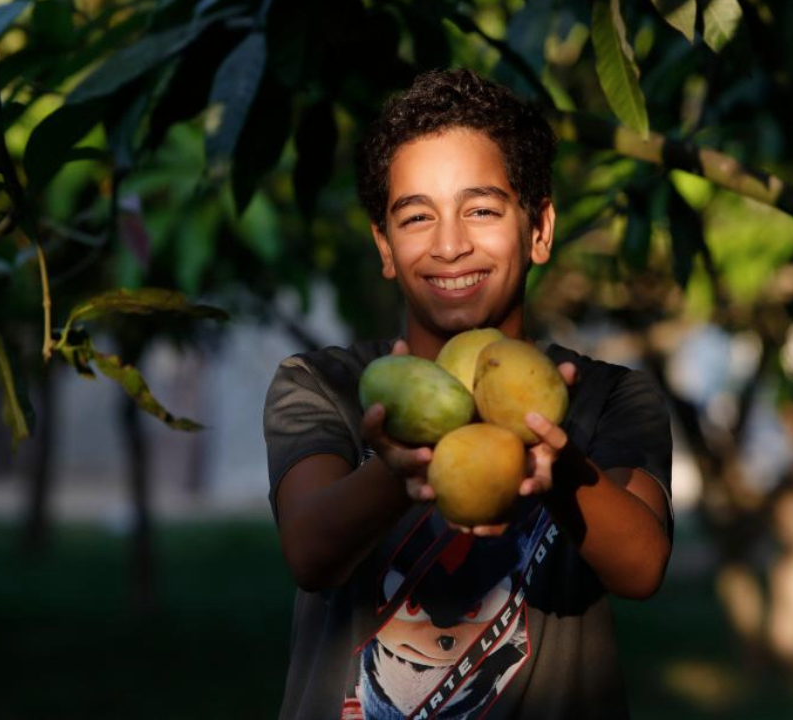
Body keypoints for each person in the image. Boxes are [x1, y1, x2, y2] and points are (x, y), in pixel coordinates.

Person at [263, 68, 673, 719]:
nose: (450, 245)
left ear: (539, 228)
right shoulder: (329, 386)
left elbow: (642, 566)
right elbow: (310, 553)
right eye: (417, 216)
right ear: (385, 246)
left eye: (480, 210)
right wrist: (401, 471)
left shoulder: (606, 398)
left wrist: (558, 470)